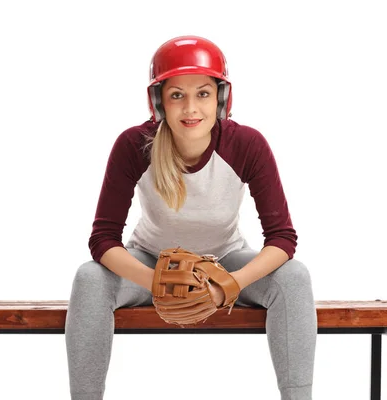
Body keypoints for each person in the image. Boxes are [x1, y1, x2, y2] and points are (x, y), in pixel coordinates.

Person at [65, 35, 317, 400]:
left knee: (294, 277)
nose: (190, 108)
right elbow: (103, 240)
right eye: (176, 95)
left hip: (226, 261)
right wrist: (159, 283)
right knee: (89, 277)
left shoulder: (247, 144)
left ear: (221, 98)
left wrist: (227, 286)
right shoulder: (133, 145)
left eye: (202, 93)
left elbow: (282, 238)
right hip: (151, 260)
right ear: (159, 102)